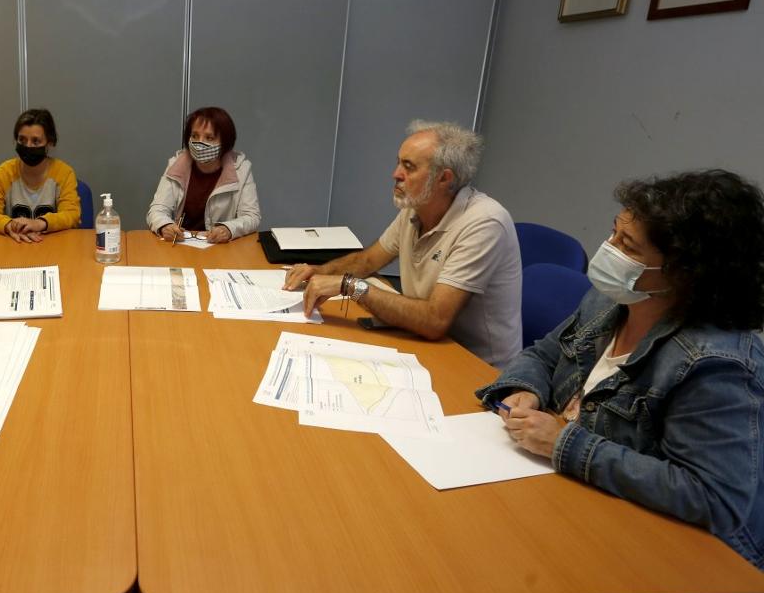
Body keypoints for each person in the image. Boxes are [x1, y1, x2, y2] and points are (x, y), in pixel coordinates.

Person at [477, 170, 764, 568]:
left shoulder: (716, 365)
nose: (608, 250)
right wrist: (526, 387)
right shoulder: (611, 301)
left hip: (687, 565)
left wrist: (566, 444)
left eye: (626, 245)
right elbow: (544, 353)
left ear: (684, 272)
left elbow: (714, 499)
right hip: (573, 500)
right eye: (614, 233)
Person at [284, 119, 521, 367]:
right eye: (398, 163)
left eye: (408, 167)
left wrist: (351, 287)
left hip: (476, 369)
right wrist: (317, 272)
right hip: (424, 345)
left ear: (443, 178)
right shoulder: (417, 206)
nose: (396, 174)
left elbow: (435, 321)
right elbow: (367, 260)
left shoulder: (484, 222)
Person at [146, 106, 260, 243]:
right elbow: (157, 209)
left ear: (225, 142)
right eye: (194, 136)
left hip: (219, 247)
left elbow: (252, 216)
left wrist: (229, 229)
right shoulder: (176, 165)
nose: (200, 142)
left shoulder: (241, 169)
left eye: (209, 138)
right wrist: (165, 225)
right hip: (182, 243)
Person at [0, 108, 81, 243]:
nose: (28, 146)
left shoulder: (64, 173)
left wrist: (40, 223)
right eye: (22, 140)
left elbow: (72, 214)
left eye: (36, 141)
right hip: (15, 245)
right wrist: (9, 225)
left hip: (52, 246)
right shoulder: (3, 173)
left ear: (49, 142)